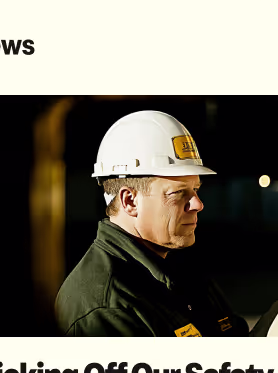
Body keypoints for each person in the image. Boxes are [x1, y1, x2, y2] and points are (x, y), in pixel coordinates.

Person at [55, 110, 249, 338]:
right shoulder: (106, 308)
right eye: (178, 193)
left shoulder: (180, 269)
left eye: (195, 189)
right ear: (130, 201)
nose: (198, 204)